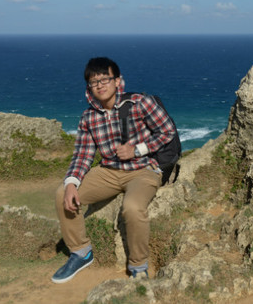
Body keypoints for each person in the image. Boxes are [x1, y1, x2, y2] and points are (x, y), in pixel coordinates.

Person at [52, 57, 177, 284]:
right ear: (89, 87)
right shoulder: (89, 117)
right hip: (108, 172)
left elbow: (167, 131)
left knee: (132, 207)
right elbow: (83, 154)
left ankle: (139, 266)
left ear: (118, 81)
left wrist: (137, 149)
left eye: (105, 79)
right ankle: (81, 252)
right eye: (93, 82)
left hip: (143, 170)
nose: (99, 85)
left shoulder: (141, 103)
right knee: (63, 194)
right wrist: (71, 182)